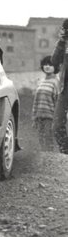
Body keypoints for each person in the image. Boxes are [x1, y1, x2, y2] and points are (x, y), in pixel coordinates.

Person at [32, 56, 60, 152]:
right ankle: (43, 160)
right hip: (39, 116)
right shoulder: (41, 81)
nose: (47, 66)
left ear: (55, 67)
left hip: (50, 117)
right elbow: (36, 101)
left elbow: (58, 101)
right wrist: (34, 116)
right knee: (41, 139)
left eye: (50, 65)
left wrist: (57, 118)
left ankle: (50, 159)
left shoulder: (56, 82)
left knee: (48, 139)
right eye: (45, 64)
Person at [51, 19, 68, 154]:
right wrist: (62, 41)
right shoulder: (64, 44)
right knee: (57, 125)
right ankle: (65, 153)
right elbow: (54, 61)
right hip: (65, 88)